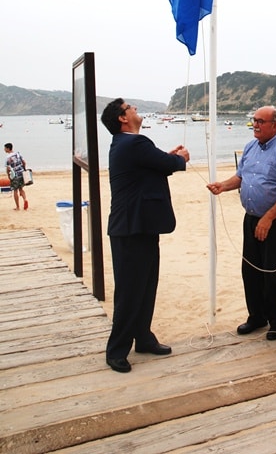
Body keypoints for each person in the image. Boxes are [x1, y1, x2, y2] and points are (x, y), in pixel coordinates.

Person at [100, 98, 190, 373]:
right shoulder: (134, 143)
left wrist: (169, 158)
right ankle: (116, 350)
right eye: (131, 108)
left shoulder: (129, 145)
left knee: (146, 285)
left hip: (140, 226)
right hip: (132, 228)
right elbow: (167, 164)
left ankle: (144, 338)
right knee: (130, 291)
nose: (136, 110)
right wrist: (180, 158)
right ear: (122, 119)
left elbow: (156, 165)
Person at [207, 106, 276, 340]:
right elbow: (242, 177)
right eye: (254, 121)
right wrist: (223, 185)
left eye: (261, 121)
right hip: (251, 220)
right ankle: (257, 317)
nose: (255, 125)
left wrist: (268, 217)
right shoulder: (250, 147)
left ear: (275, 125)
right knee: (250, 271)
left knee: (273, 273)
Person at [4, 143, 28, 211]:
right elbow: (24, 162)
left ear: (8, 149)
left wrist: (9, 176)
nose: (4, 149)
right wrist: (24, 169)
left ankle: (17, 207)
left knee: (15, 190)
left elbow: (8, 169)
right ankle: (25, 199)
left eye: (5, 148)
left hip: (15, 175)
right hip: (21, 173)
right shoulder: (18, 154)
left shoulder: (8, 158)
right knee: (21, 189)